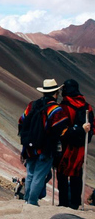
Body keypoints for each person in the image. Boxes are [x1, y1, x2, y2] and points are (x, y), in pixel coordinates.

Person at [19, 79, 68, 206]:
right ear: (56, 93)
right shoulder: (56, 110)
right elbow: (61, 130)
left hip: (29, 147)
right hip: (45, 148)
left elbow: (22, 120)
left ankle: (27, 199)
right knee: (39, 175)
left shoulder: (32, 105)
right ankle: (32, 201)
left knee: (30, 174)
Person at [57, 79, 94, 210]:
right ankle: (75, 202)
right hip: (80, 146)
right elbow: (92, 127)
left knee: (62, 173)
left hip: (66, 145)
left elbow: (61, 127)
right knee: (77, 173)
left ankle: (63, 202)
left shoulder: (64, 106)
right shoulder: (87, 107)